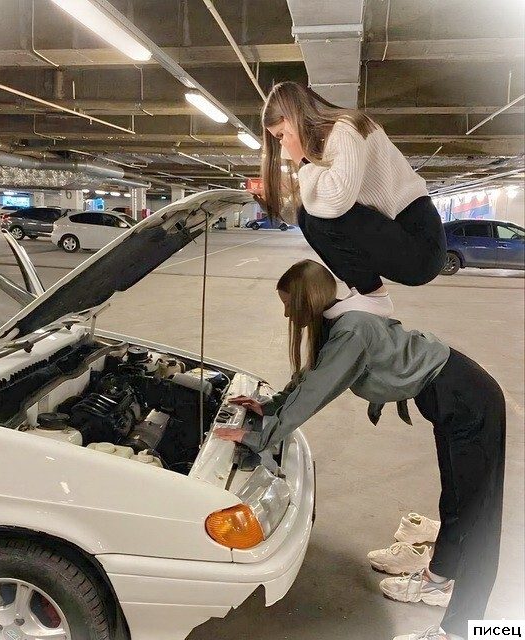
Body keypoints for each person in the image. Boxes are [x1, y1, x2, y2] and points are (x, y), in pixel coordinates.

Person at [216, 259, 506, 640]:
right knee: (455, 501)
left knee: (477, 520)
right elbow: (312, 377)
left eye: (289, 304)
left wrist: (258, 436)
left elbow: (316, 393)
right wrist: (269, 407)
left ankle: (463, 631)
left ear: (306, 300)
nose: (287, 313)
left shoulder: (351, 331)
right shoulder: (340, 322)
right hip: (451, 397)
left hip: (468, 398)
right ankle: (438, 580)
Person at [260, 81, 446, 319]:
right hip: (402, 235)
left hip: (420, 245)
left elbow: (337, 199)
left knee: (313, 216)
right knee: (307, 215)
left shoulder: (346, 128)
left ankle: (374, 296)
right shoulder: (331, 140)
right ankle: (363, 291)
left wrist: (302, 160)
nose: (282, 144)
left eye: (281, 135)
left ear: (291, 119)